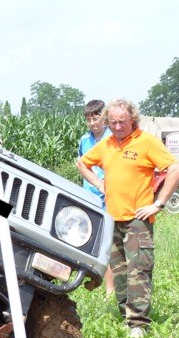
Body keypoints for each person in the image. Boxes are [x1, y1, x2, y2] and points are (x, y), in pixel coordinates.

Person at [76, 98, 179, 338]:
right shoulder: (107, 144)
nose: (117, 126)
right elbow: (82, 163)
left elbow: (174, 169)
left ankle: (139, 323)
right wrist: (98, 183)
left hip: (138, 220)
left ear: (132, 120)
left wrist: (158, 203)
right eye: (112, 122)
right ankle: (125, 316)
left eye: (121, 121)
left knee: (139, 271)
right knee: (120, 270)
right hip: (112, 218)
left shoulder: (146, 142)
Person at [78, 99, 115, 295]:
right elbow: (83, 166)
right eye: (89, 119)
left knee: (109, 242)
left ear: (104, 117)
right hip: (90, 196)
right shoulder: (84, 140)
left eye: (96, 117)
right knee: (93, 241)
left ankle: (111, 289)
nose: (93, 122)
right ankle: (96, 281)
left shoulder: (113, 138)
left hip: (111, 196)